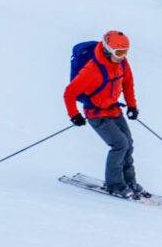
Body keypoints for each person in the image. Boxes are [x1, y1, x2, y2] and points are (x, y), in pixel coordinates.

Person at [63, 31, 150, 199]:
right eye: (119, 52)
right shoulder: (92, 69)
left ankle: (129, 181)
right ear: (107, 50)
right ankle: (115, 184)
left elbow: (128, 83)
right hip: (96, 113)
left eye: (125, 52)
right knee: (120, 145)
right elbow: (69, 93)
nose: (122, 56)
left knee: (128, 144)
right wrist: (74, 115)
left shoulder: (122, 63)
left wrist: (132, 106)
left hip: (113, 109)